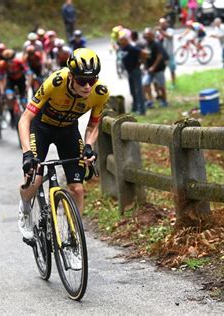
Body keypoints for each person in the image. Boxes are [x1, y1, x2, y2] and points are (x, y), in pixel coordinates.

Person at [17, 48, 109, 239]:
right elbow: (25, 119)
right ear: (71, 77)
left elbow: (93, 126)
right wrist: (27, 154)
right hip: (41, 128)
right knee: (35, 180)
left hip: (68, 131)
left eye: (92, 80)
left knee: (78, 188)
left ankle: (74, 237)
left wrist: (89, 145)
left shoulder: (100, 93)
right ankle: (25, 209)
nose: (87, 87)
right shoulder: (55, 82)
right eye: (82, 81)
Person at [118, 29, 146, 115]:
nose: (120, 42)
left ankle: (142, 110)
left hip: (135, 71)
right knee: (132, 90)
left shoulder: (131, 48)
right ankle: (135, 107)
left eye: (122, 40)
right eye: (120, 40)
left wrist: (141, 63)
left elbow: (143, 53)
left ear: (126, 41)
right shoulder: (123, 48)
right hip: (129, 72)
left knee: (139, 90)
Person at [142, 28, 168, 108]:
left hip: (158, 69)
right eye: (146, 35)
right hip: (149, 70)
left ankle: (164, 101)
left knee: (161, 86)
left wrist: (153, 67)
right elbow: (146, 55)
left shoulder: (156, 44)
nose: (147, 37)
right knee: (145, 84)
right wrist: (144, 66)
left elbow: (160, 56)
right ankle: (150, 101)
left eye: (149, 35)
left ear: (152, 36)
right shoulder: (146, 44)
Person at [157, 17, 177, 88]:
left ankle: (173, 84)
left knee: (172, 69)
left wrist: (161, 32)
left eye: (164, 23)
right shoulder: (158, 32)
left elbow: (169, 37)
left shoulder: (170, 30)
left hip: (169, 53)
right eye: (161, 24)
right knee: (161, 71)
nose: (163, 25)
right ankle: (162, 85)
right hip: (161, 55)